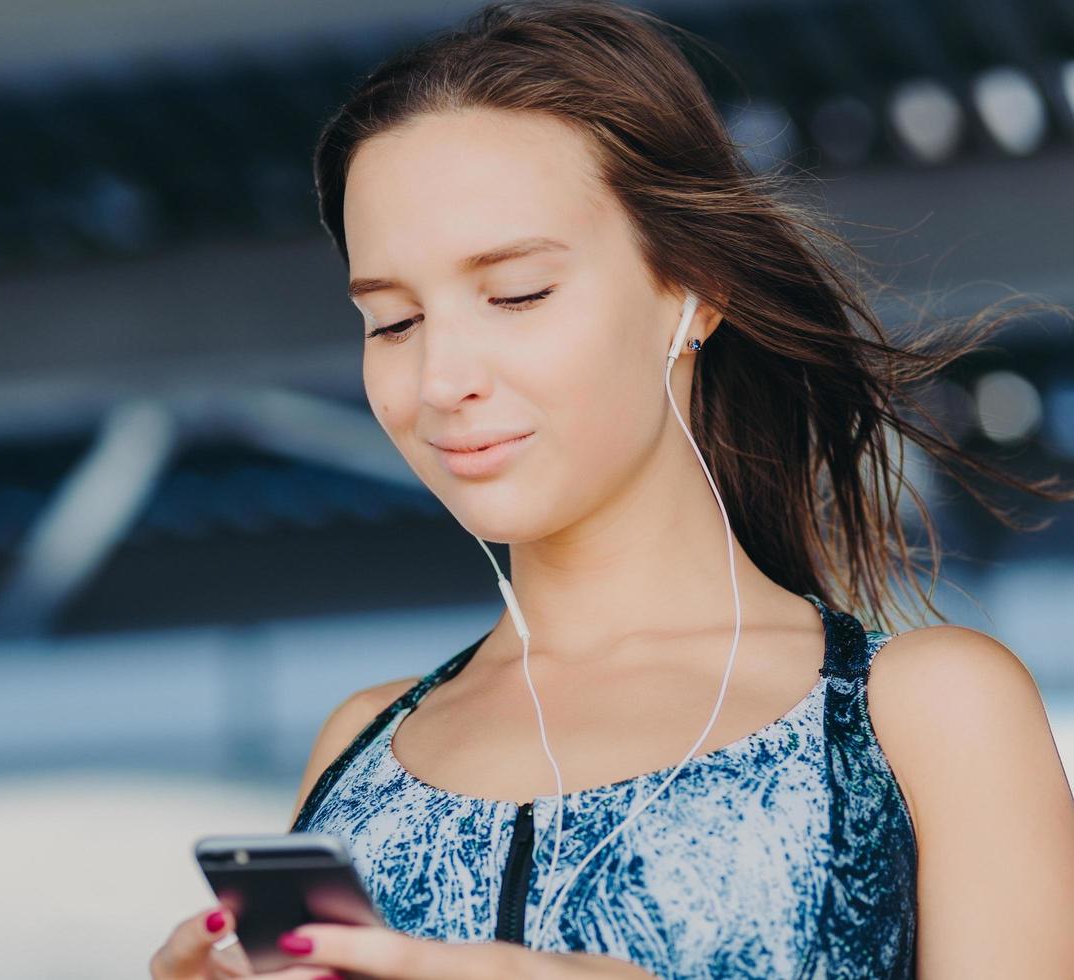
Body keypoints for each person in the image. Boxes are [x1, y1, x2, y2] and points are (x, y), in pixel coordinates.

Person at [150, 1, 1074, 976]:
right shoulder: (363, 745)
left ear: (691, 288)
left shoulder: (918, 712)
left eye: (516, 294)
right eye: (391, 320)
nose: (439, 380)